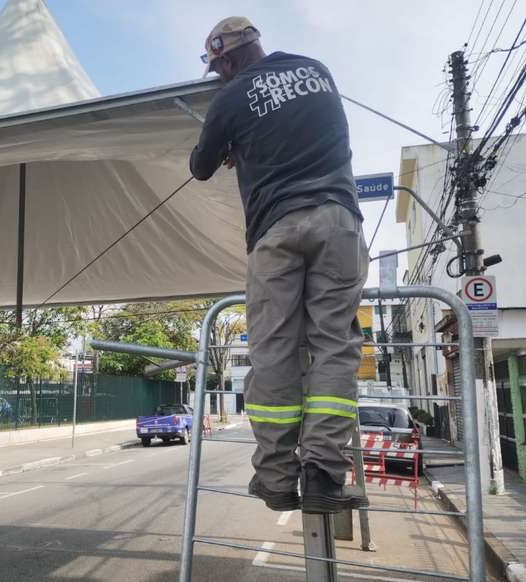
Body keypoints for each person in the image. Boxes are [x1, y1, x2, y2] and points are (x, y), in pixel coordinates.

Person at [189, 17, 368, 514]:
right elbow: (314, 132)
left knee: (273, 352)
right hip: (337, 219)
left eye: (217, 67)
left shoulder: (229, 97)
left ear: (223, 59)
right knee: (334, 344)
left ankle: (275, 479)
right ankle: (324, 476)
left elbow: (199, 167)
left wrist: (231, 147)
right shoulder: (316, 69)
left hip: (276, 230)